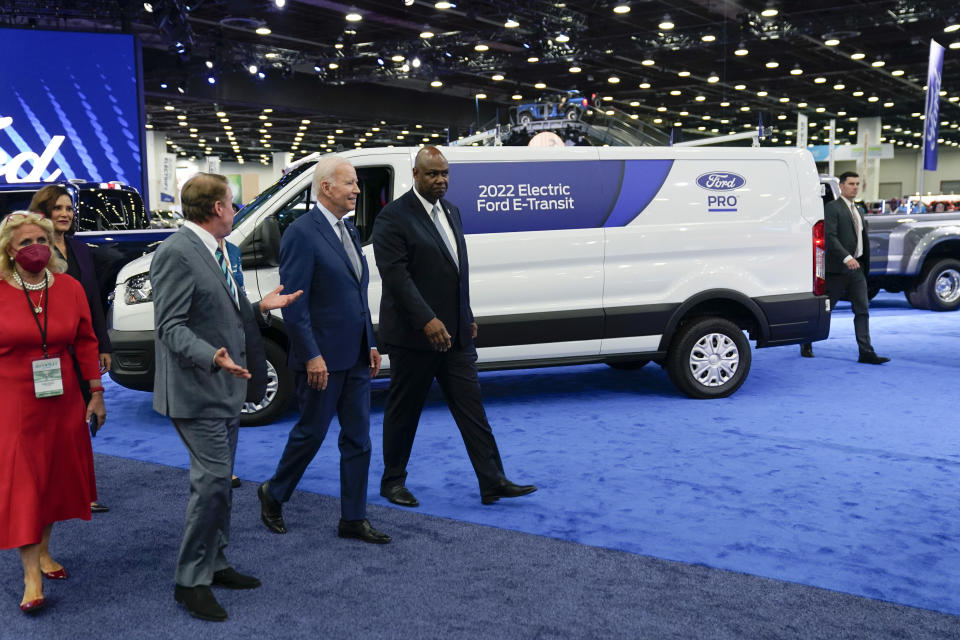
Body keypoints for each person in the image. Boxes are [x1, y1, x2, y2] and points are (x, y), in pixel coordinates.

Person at [151, 173, 301, 622]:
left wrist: (260, 309)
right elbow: (170, 327)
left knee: (219, 485)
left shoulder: (218, 250)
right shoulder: (177, 252)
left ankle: (215, 563)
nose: (235, 210)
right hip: (197, 387)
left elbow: (224, 312)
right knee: (213, 483)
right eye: (232, 204)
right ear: (216, 208)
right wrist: (212, 356)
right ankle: (190, 581)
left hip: (224, 386)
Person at [372, 146, 536, 507]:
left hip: (456, 335)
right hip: (413, 338)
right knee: (404, 412)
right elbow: (397, 279)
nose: (441, 180)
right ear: (415, 175)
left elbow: (454, 272)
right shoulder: (393, 218)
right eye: (432, 174)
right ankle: (392, 482)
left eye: (445, 173)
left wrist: (467, 314)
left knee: (472, 410)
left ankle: (492, 480)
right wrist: (428, 320)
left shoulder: (452, 212)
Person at [257, 155, 390, 544]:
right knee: (311, 434)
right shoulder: (302, 233)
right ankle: (273, 492)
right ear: (326, 187)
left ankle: (353, 518)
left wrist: (371, 342)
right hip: (322, 360)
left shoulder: (347, 230)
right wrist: (312, 354)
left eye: (357, 184)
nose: (357, 190)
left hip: (356, 357)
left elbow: (357, 294)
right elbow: (294, 301)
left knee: (358, 439)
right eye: (349, 183)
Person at [0, 211, 106, 614]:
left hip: (62, 398)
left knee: (53, 477)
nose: (35, 248)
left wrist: (96, 393)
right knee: (26, 482)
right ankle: (31, 576)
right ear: (9, 250)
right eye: (25, 243)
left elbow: (85, 342)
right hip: (12, 400)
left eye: (41, 240)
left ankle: (44, 550)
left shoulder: (69, 288)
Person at [29, 185, 112, 513]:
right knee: (53, 424)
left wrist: (103, 345)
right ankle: (46, 488)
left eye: (69, 207)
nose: (65, 213)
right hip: (47, 353)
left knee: (82, 418)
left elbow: (92, 301)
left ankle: (84, 490)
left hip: (82, 347)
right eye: (58, 208)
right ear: (44, 213)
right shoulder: (33, 250)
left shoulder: (80, 249)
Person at [800, 172, 889, 364]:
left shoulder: (858, 209)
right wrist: (846, 257)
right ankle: (806, 341)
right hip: (838, 269)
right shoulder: (832, 208)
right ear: (841, 186)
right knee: (825, 309)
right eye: (851, 184)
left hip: (857, 269)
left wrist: (859, 260)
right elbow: (830, 236)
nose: (855, 187)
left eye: (857, 184)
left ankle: (866, 352)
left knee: (862, 310)